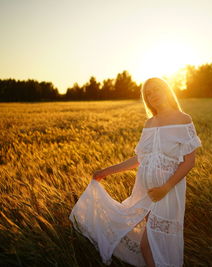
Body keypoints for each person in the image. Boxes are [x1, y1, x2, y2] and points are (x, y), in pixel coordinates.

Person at [69, 77, 202, 267]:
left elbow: (189, 161)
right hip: (146, 193)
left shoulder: (183, 119)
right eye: (148, 93)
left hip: (168, 193)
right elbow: (139, 159)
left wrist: (165, 187)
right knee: (150, 246)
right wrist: (106, 171)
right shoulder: (149, 123)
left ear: (166, 89)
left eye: (156, 89)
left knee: (149, 245)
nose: (152, 95)